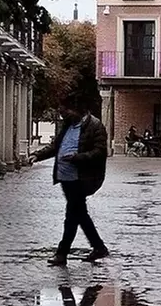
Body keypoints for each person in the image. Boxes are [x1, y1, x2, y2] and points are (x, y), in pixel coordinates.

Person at [30, 94, 109, 266]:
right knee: (79, 214)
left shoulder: (95, 126)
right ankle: (98, 247)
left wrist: (77, 158)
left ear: (77, 109)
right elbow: (56, 146)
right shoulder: (67, 125)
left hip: (81, 178)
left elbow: (100, 152)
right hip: (65, 178)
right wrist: (37, 155)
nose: (62, 115)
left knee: (72, 215)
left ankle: (62, 253)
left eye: (65, 111)